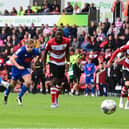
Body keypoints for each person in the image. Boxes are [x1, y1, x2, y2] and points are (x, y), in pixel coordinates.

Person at [4, 39, 41, 105]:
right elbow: (12, 58)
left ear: (33, 46)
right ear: (25, 46)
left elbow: (39, 55)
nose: (30, 49)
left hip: (25, 68)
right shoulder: (21, 50)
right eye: (28, 47)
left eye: (31, 47)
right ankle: (6, 94)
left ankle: (19, 97)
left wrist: (34, 63)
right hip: (16, 67)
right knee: (12, 85)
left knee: (28, 82)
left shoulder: (35, 51)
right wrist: (18, 66)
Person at [43, 29, 70, 108]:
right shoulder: (50, 42)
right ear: (54, 35)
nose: (58, 37)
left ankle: (56, 99)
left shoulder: (67, 41)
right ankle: (53, 102)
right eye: (57, 35)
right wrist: (44, 66)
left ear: (62, 35)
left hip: (61, 63)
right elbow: (44, 53)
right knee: (53, 80)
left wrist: (68, 63)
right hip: (53, 62)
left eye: (60, 35)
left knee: (60, 82)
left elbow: (67, 52)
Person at [107, 43, 129, 109]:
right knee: (127, 84)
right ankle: (121, 99)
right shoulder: (127, 47)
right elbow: (117, 51)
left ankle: (127, 103)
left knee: (127, 86)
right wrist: (110, 61)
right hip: (126, 68)